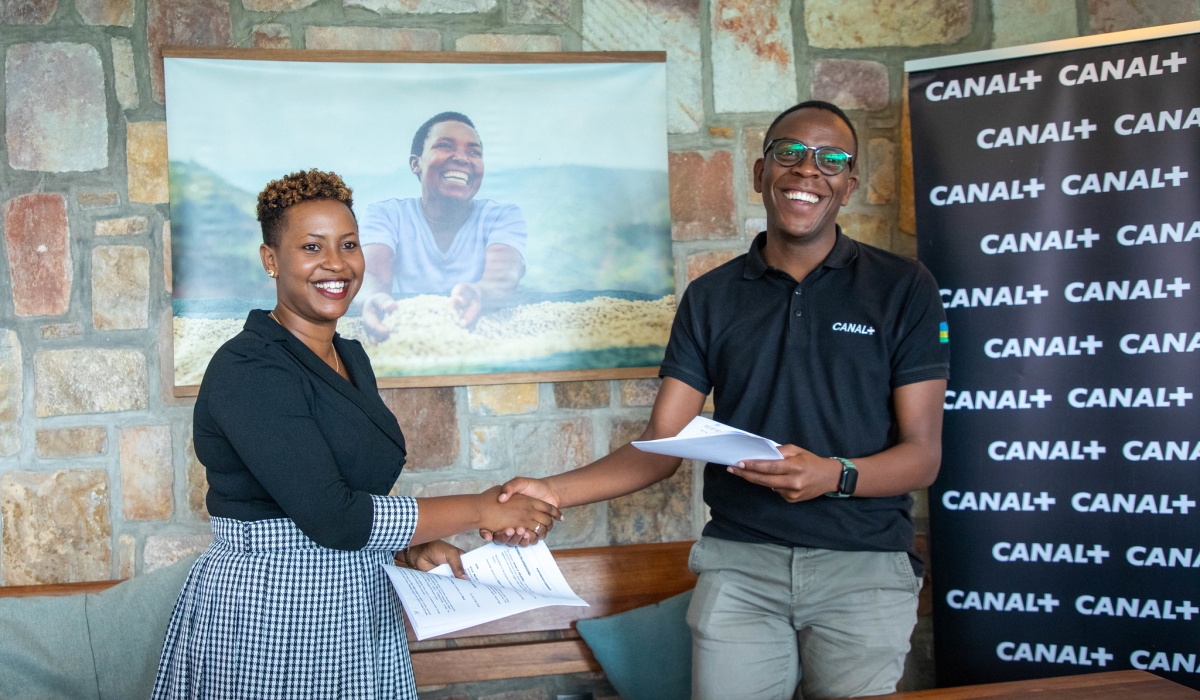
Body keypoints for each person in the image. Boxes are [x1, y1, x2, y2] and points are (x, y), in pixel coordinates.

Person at [484, 101, 950, 700]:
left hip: (861, 569)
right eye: (790, 153)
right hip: (742, 566)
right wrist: (552, 490)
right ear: (760, 172)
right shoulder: (711, 298)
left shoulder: (903, 287)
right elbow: (661, 447)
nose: (808, 170)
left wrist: (832, 475)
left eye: (831, 160)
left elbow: (923, 456)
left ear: (849, 184)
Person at [152, 169, 560, 699]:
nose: (336, 264)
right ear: (270, 260)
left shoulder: (350, 357)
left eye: (348, 244)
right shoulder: (249, 367)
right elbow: (335, 515)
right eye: (311, 246)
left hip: (356, 607)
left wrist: (405, 550)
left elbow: (354, 495)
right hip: (272, 612)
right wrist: (482, 509)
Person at [358, 111, 526, 336]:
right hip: (407, 334)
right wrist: (372, 299)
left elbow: (504, 274)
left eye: (474, 152)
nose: (462, 158)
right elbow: (372, 273)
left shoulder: (501, 216)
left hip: (479, 335)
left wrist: (478, 294)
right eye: (446, 146)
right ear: (415, 164)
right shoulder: (386, 215)